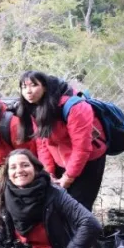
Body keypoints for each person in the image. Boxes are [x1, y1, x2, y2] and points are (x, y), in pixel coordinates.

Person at [17, 71, 106, 211]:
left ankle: (86, 233)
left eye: (33, 85)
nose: (28, 91)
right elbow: (42, 143)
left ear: (45, 87)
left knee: (78, 209)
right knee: (56, 209)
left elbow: (82, 148)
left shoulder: (75, 108)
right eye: (24, 86)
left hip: (87, 162)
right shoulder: (35, 106)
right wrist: (49, 173)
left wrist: (68, 177)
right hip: (59, 160)